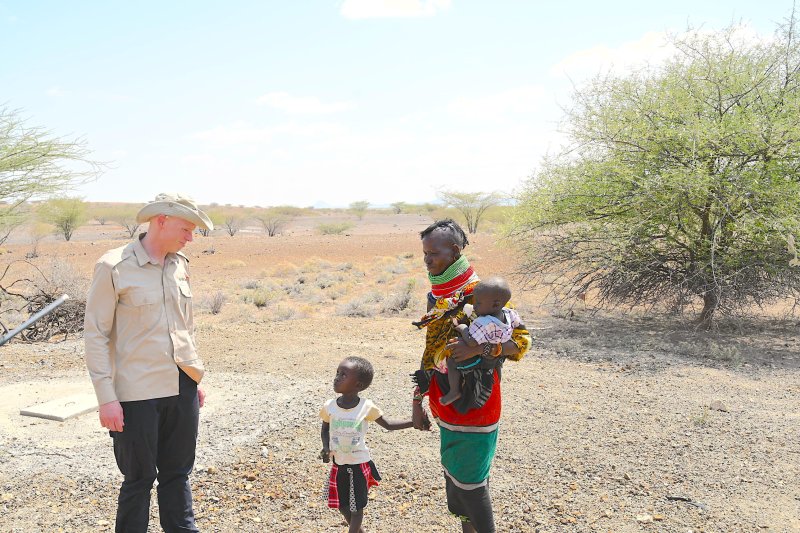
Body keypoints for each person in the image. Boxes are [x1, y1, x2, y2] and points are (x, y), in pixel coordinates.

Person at [84, 192, 213, 533]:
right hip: (135, 391)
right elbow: (95, 335)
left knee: (177, 474)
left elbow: (186, 327)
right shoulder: (113, 266)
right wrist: (106, 398)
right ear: (161, 221)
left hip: (181, 385)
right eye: (186, 229)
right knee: (139, 479)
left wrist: (194, 380)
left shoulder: (180, 266)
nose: (190, 237)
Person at [411, 219, 532, 533]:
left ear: (454, 251)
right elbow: (430, 353)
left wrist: (482, 350)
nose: (427, 259)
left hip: (476, 404)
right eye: (424, 253)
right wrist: (418, 400)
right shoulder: (438, 297)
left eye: (433, 253)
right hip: (446, 403)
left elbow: (521, 340)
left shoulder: (481, 294)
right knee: (457, 483)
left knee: (471, 486)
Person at [320, 356, 413, 533]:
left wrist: (414, 423)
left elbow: (388, 425)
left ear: (358, 385)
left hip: (359, 463)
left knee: (357, 509)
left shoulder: (366, 407)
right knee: (341, 505)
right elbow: (325, 429)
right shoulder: (330, 406)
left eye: (344, 375)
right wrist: (325, 447)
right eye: (337, 373)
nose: (337, 377)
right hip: (338, 464)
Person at [440, 276, 524, 407]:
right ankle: (496, 382)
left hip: (480, 358)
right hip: (497, 357)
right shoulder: (510, 313)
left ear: (495, 304)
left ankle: (454, 391)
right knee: (497, 366)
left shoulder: (483, 322)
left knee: (452, 362)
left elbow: (472, 342)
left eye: (478, 303)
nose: (474, 305)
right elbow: (518, 325)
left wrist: (463, 328)